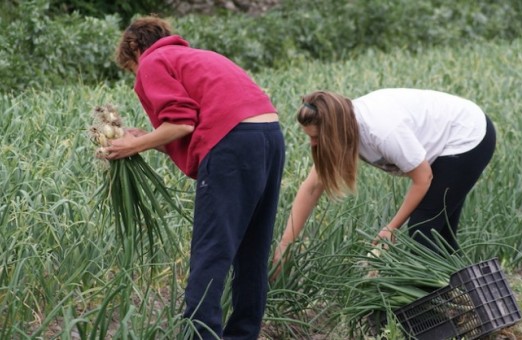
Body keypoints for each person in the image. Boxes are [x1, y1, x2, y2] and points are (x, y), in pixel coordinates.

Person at [108, 15, 285, 340]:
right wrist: (147, 141)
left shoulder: (153, 61)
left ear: (135, 48)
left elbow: (181, 123)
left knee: (211, 252)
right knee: (252, 253)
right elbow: (202, 131)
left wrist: (133, 143)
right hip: (268, 137)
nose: (138, 77)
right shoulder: (197, 57)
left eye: (131, 69)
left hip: (234, 143)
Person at [273, 88, 495, 272]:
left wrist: (390, 228)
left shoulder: (381, 130)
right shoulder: (343, 128)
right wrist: (285, 246)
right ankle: (465, 299)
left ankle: (432, 310)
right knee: (440, 234)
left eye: (315, 137)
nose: (313, 144)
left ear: (333, 130)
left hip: (467, 137)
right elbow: (312, 188)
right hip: (446, 143)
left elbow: (423, 178)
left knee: (423, 227)